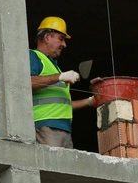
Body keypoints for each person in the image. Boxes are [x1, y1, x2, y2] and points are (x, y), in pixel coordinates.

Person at [30, 16, 95, 148]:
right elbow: (27, 83)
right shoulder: (33, 56)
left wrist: (89, 102)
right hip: (46, 126)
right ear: (47, 37)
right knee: (51, 168)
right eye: (61, 39)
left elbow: (62, 105)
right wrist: (60, 77)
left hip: (63, 130)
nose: (64, 44)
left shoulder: (55, 67)